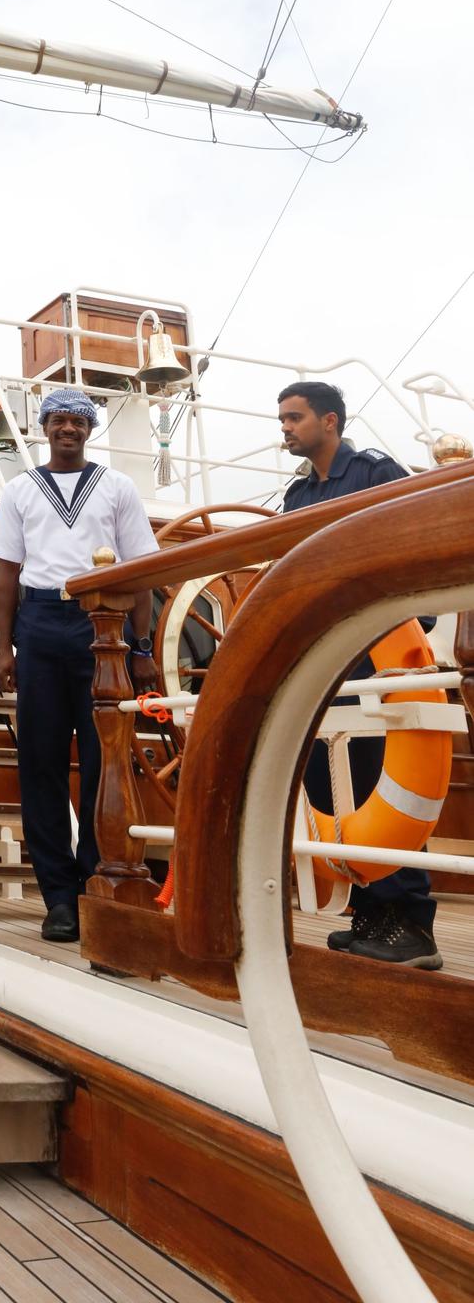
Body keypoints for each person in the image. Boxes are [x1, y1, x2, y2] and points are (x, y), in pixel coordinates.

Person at [277, 381, 441, 969]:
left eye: (294, 418)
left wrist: (400, 634)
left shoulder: (376, 474)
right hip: (324, 658)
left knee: (380, 783)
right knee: (334, 786)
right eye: (282, 419)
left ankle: (411, 926)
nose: (286, 427)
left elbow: (418, 545)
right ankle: (370, 914)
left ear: (331, 421)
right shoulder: (296, 498)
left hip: (376, 653)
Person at [0, 388, 158, 944]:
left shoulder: (117, 487)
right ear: (44, 427)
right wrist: (2, 646)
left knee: (101, 757)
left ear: (90, 430)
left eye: (78, 421)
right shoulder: (19, 490)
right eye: (58, 420)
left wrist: (143, 647)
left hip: (100, 627)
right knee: (39, 762)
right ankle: (57, 897)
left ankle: (93, 881)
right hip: (38, 624)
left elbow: (139, 572)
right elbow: (8, 573)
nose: (68, 429)